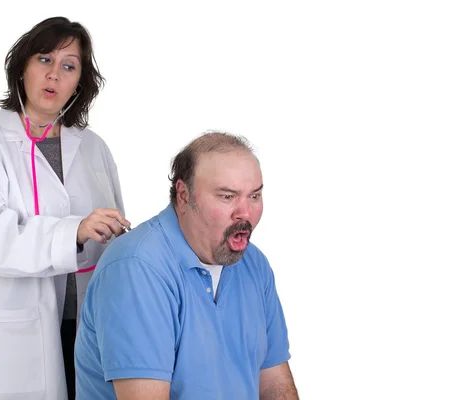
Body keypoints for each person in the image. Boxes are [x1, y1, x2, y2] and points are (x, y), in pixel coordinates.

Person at [0, 17, 130, 400]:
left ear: (80, 82)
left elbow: (113, 237)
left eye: (69, 65)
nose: (54, 75)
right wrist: (73, 232)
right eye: (44, 59)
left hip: (88, 327)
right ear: (23, 67)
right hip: (15, 334)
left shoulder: (94, 148)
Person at [75, 132, 299, 399]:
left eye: (254, 196)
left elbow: (275, 385)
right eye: (227, 197)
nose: (245, 214)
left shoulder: (254, 264)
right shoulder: (137, 269)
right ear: (183, 195)